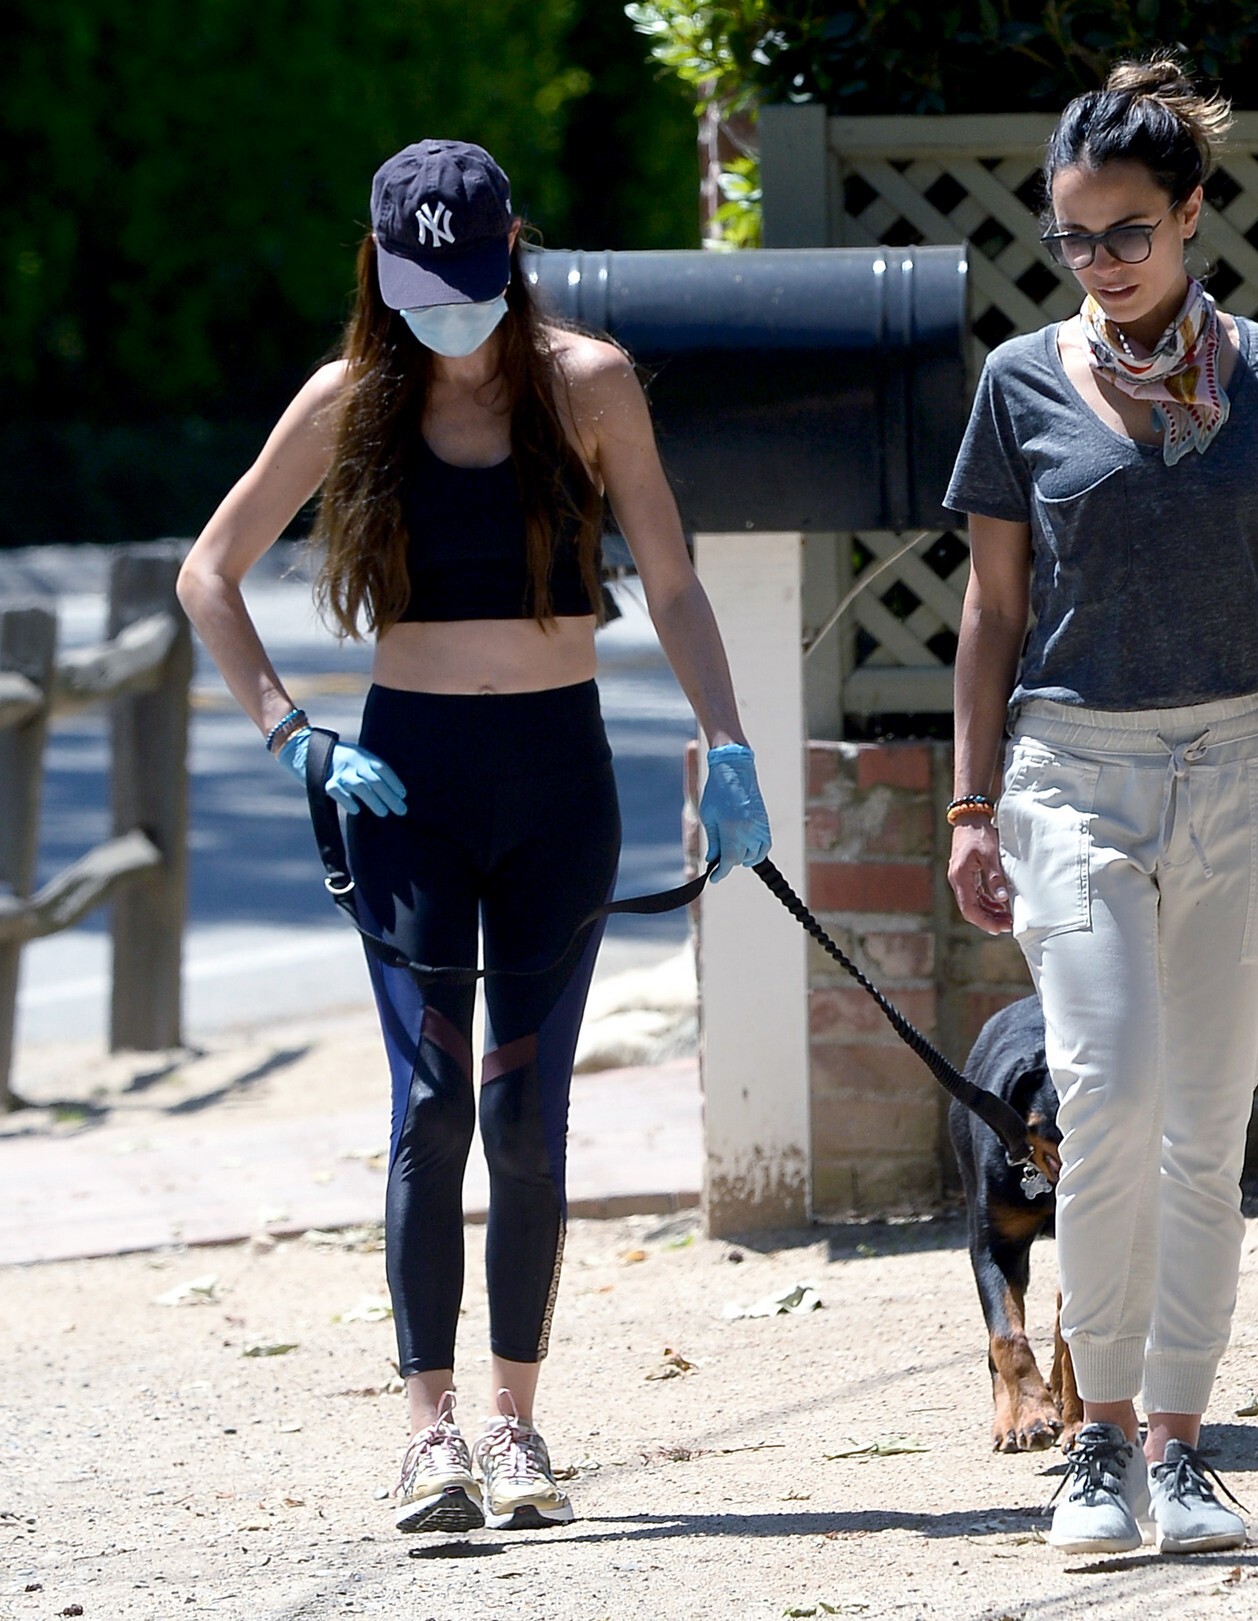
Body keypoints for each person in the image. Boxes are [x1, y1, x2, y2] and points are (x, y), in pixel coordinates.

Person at [178, 138, 770, 1535]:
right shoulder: (349, 399)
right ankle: (426, 1432)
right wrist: (293, 733)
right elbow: (209, 573)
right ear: (380, 273)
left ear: (511, 250)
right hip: (409, 791)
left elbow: (674, 582)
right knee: (432, 1102)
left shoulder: (590, 383)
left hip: (560, 782)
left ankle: (515, 1425)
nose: (444, 312)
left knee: (524, 1110)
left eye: (467, 279)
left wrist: (730, 745)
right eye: (417, 287)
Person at [942, 58, 1258, 1557]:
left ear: (1192, 214)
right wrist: (969, 804)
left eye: (1128, 231)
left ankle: (1178, 1443)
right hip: (1070, 775)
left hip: (1239, 768)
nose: (1099, 260)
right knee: (1106, 1097)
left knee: (1206, 1130)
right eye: (1073, 235)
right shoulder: (1020, 381)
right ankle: (1095, 1444)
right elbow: (990, 610)